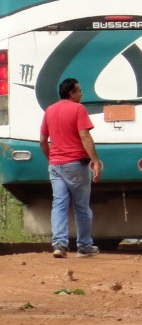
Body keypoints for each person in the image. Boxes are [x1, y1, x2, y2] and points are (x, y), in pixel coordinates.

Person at [40, 78, 102, 258]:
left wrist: (52, 158)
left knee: (58, 204)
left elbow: (43, 141)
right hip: (75, 165)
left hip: (55, 165)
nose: (81, 94)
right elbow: (85, 136)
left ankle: (59, 244)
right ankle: (84, 246)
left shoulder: (49, 110)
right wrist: (95, 161)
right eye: (79, 91)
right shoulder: (78, 109)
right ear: (71, 93)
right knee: (81, 207)